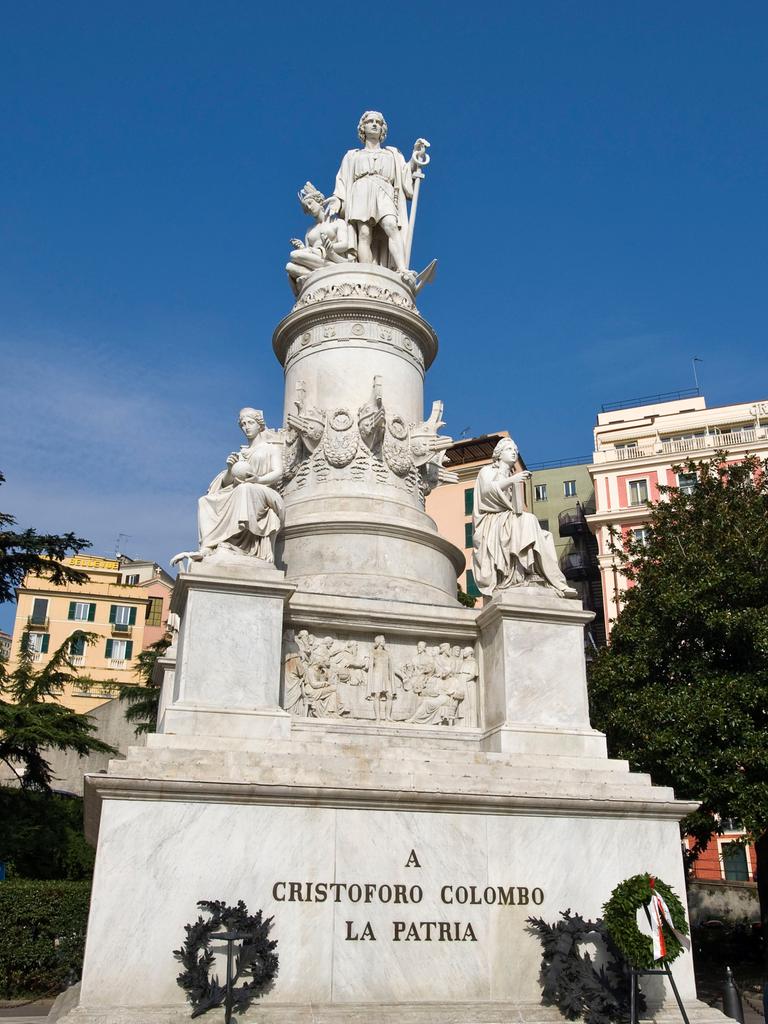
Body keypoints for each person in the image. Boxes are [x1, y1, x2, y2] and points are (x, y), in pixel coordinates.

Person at [326, 111, 428, 280]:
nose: (374, 124)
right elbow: (343, 180)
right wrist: (338, 199)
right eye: (370, 121)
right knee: (364, 234)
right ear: (363, 128)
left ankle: (402, 268)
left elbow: (404, 174)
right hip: (360, 191)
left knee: (391, 226)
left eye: (378, 122)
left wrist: (415, 159)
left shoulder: (392, 154)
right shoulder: (353, 155)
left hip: (384, 190)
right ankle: (367, 273)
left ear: (382, 129)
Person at [472, 437, 570, 596]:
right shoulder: (487, 471)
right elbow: (486, 492)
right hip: (491, 520)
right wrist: (513, 480)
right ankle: (521, 573)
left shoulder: (514, 476)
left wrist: (515, 483)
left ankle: (543, 577)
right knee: (528, 519)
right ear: (499, 453)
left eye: (515, 451)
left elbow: (516, 507)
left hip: (508, 518)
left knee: (545, 536)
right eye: (509, 449)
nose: (514, 453)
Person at [196, 408, 285, 562]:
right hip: (242, 490)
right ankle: (209, 545)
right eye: (243, 424)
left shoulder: (271, 448)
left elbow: (278, 473)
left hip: (265, 491)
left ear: (260, 425)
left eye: (250, 422)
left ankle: (238, 540)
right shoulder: (240, 454)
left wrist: (258, 480)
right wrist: (230, 470)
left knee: (245, 489)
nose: (246, 427)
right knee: (204, 501)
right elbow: (227, 483)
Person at [286, 182, 356, 295]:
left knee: (294, 255)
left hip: (331, 256)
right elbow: (308, 251)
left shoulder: (337, 222)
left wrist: (329, 248)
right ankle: (324, 271)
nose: (309, 207)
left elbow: (345, 244)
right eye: (306, 206)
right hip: (316, 259)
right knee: (289, 267)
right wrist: (302, 247)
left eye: (310, 203)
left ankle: (328, 269)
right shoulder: (310, 230)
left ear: (319, 202)